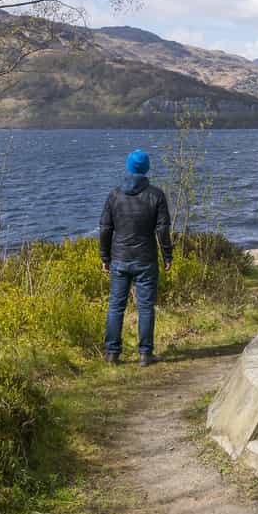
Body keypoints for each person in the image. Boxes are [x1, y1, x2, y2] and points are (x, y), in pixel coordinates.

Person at [100, 148, 172, 365]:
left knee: (115, 306)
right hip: (145, 258)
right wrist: (167, 255)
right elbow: (162, 229)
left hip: (120, 258)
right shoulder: (156, 195)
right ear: (146, 168)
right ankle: (145, 354)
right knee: (145, 307)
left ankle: (112, 353)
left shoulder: (114, 195)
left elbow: (105, 228)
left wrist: (105, 258)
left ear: (128, 167)